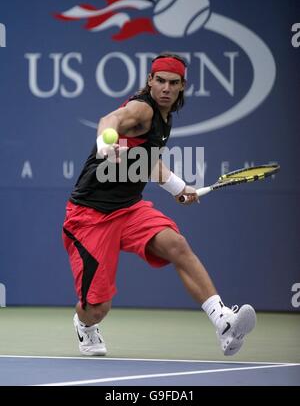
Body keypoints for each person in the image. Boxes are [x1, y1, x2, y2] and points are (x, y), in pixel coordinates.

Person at [62, 53, 256, 357]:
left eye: (173, 82)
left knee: (176, 245)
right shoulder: (141, 110)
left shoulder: (165, 120)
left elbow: (148, 161)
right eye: (160, 80)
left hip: (129, 208)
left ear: (182, 86)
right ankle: (84, 325)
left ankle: (224, 323)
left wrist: (178, 187)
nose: (165, 88)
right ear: (150, 81)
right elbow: (109, 120)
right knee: (96, 308)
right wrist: (105, 142)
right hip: (90, 216)